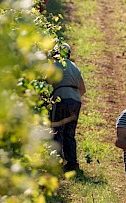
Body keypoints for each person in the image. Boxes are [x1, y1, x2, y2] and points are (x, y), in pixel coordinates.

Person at [49, 43, 86, 172]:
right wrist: (73, 98)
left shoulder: (54, 65)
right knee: (70, 133)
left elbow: (47, 81)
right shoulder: (75, 67)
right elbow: (83, 89)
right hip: (76, 100)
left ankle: (57, 161)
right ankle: (72, 162)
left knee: (57, 129)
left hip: (61, 98)